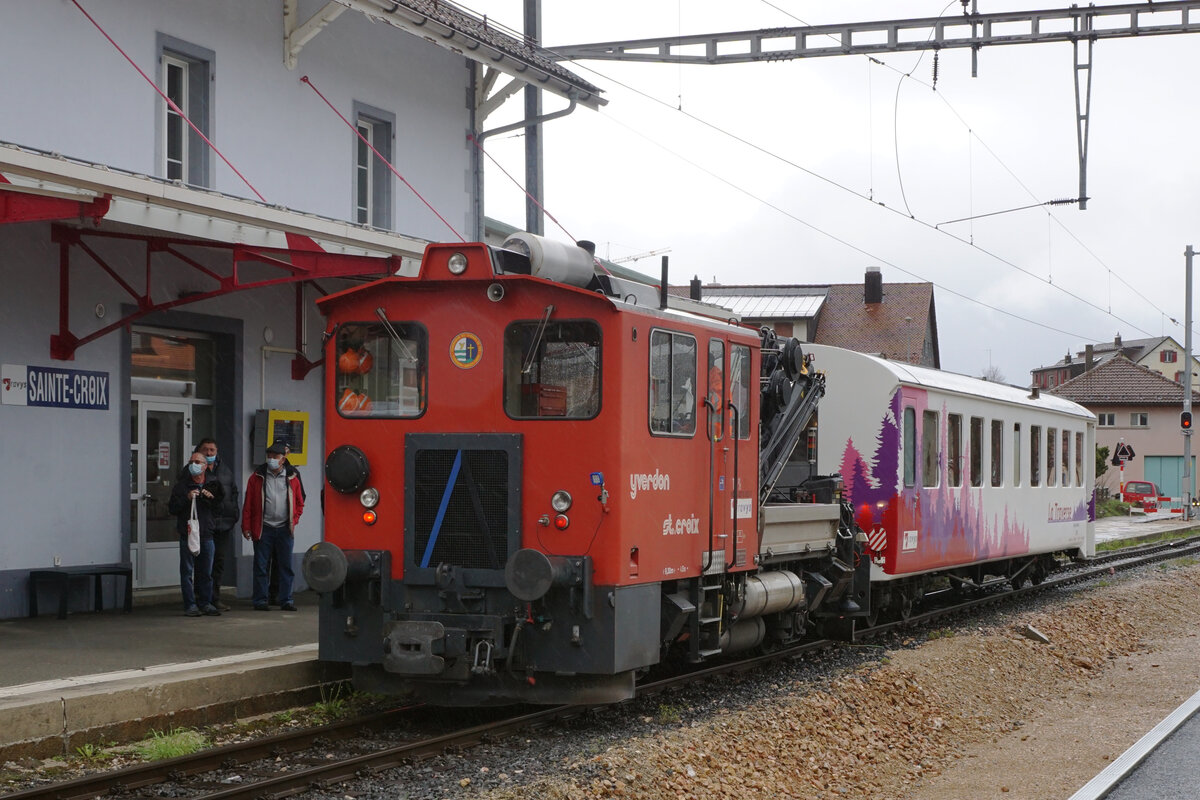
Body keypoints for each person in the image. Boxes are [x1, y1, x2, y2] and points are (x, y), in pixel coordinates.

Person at [242, 439, 304, 612]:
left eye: (275, 456)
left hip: (285, 528)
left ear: (283, 459)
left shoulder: (293, 478)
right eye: (269, 456)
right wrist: (246, 526)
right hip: (264, 528)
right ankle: (261, 600)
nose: (271, 459)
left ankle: (286, 600)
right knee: (261, 566)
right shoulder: (256, 477)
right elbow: (248, 504)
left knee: (286, 566)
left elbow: (299, 503)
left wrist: (294, 520)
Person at [180, 439, 239, 611]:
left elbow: (232, 493)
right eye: (206, 450)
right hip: (202, 525)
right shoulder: (189, 472)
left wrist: (234, 514)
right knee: (200, 565)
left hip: (222, 524)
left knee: (217, 563)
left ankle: (214, 598)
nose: (209, 453)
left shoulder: (225, 470)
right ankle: (199, 599)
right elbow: (180, 495)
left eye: (212, 450)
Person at [168, 451, 224, 617]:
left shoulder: (213, 484)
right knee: (187, 572)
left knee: (206, 572)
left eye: (198, 462)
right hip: (187, 535)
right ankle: (190, 605)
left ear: (205, 466)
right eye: (192, 461)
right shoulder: (181, 486)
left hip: (206, 534)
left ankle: (205, 603)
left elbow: (220, 510)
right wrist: (186, 497)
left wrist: (211, 498)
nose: (194, 465)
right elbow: (172, 508)